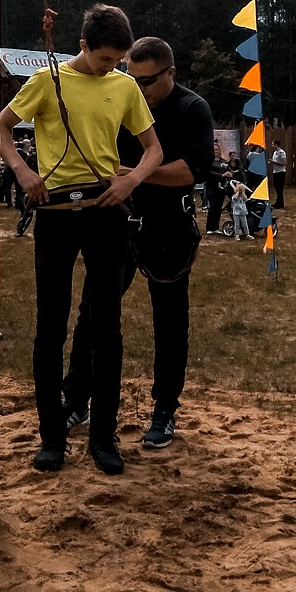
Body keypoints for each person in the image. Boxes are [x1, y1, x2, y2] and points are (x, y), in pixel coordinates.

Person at [0, 4, 162, 476]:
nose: (109, 68)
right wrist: (23, 170)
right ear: (83, 45)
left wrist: (130, 182)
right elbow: (2, 125)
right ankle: (51, 437)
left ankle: (103, 438)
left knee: (106, 328)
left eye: (117, 61)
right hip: (55, 214)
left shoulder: (126, 86)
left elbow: (154, 150)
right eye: (103, 59)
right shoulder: (47, 80)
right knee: (49, 326)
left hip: (105, 212)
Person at [62, 36, 213, 452]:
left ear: (171, 73)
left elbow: (193, 169)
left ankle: (164, 410)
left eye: (148, 81)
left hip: (169, 227)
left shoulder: (191, 108)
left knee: (170, 320)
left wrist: (136, 174)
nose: (140, 87)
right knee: (93, 312)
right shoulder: (120, 96)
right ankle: (76, 400)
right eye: (133, 76)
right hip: (115, 223)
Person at [205, 144, 231, 235]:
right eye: (214, 149)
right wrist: (221, 175)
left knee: (219, 208)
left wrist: (229, 173)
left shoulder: (223, 161)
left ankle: (216, 227)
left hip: (222, 188)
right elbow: (209, 173)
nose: (216, 151)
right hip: (212, 188)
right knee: (213, 207)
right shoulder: (209, 161)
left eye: (217, 149)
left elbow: (228, 169)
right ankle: (209, 227)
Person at [270, 139, 287, 209]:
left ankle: (280, 204)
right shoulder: (275, 152)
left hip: (281, 172)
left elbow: (284, 163)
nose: (272, 145)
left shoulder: (281, 152)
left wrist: (274, 162)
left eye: (273, 144)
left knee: (280, 188)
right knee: (277, 188)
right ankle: (278, 202)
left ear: (276, 144)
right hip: (275, 172)